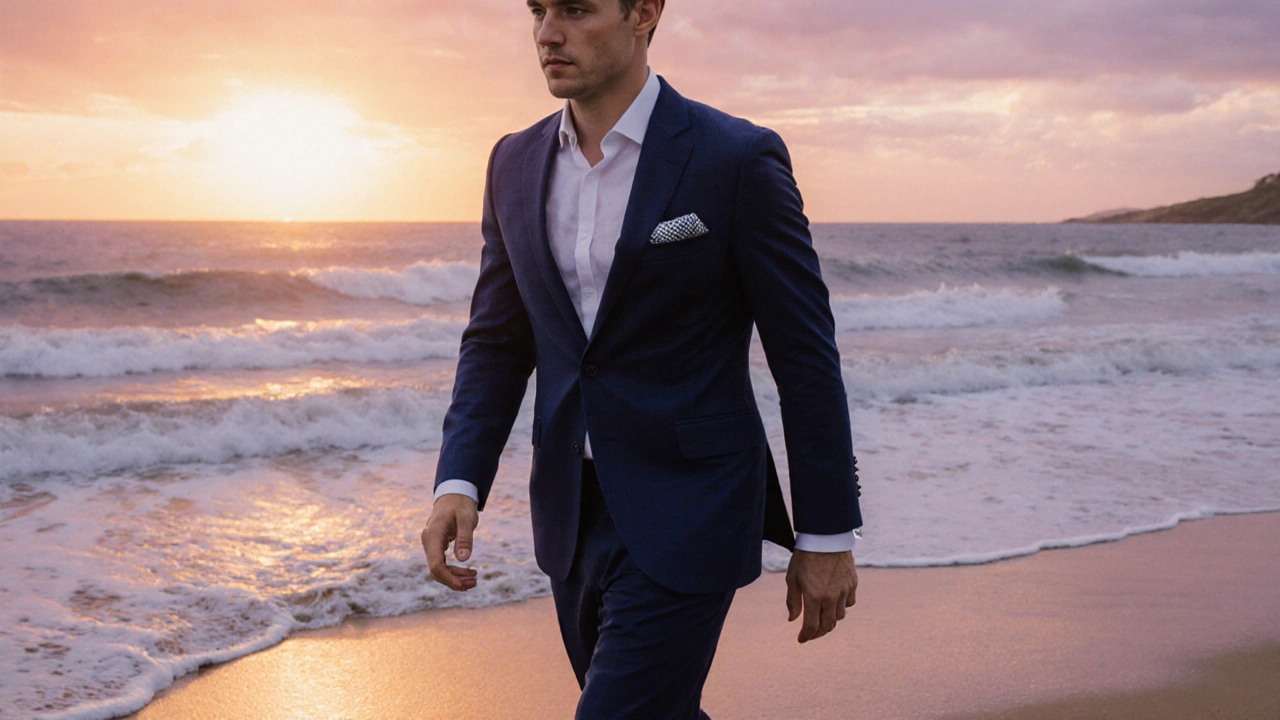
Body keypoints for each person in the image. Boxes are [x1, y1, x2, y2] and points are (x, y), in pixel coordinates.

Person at [421, 0, 863, 716]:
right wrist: (458, 482)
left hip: (693, 505)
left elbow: (805, 356)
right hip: (569, 511)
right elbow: (498, 342)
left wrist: (826, 534)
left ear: (644, 13)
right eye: (537, 11)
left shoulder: (735, 159)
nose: (547, 33)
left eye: (575, 9)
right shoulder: (512, 162)